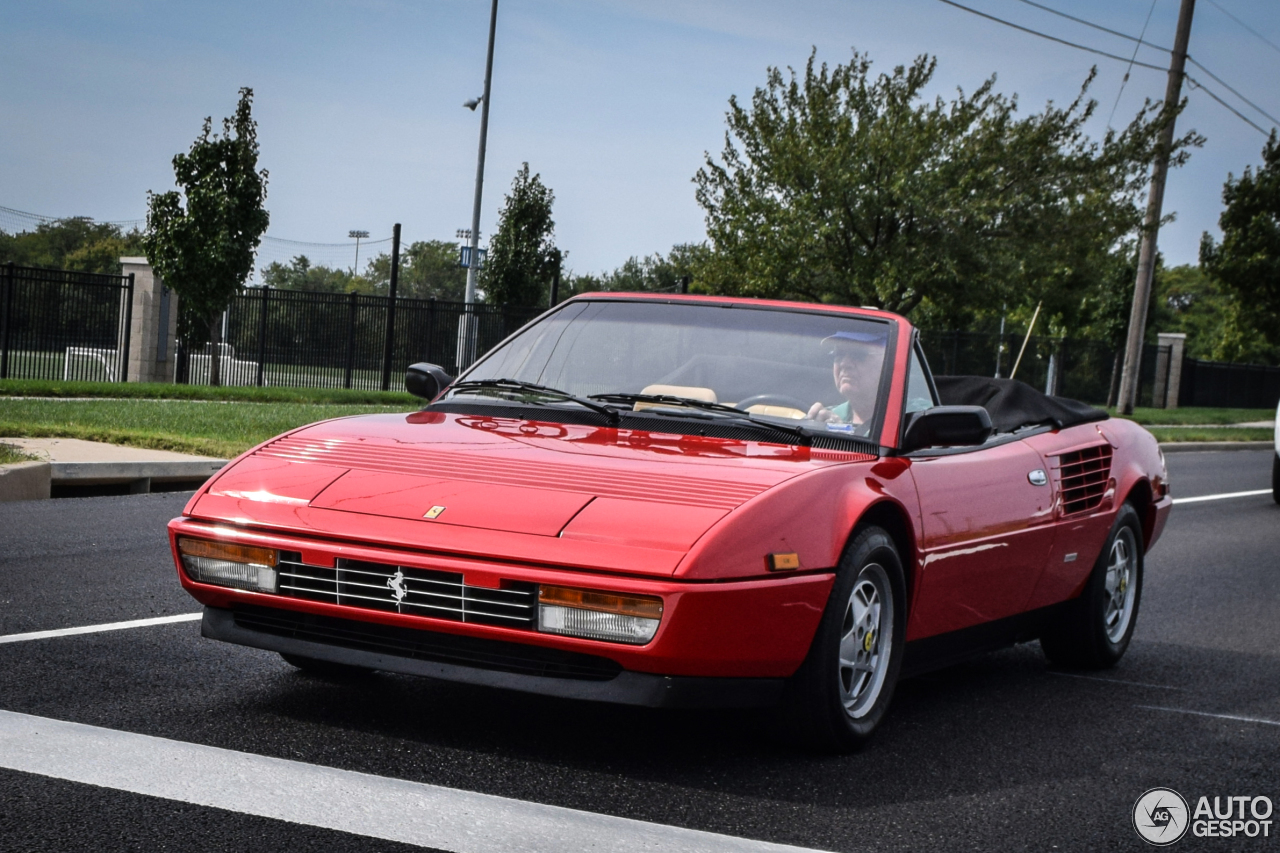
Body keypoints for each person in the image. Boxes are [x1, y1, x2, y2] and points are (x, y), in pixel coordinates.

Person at [807, 330, 886, 429]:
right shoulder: (824, 418)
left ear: (887, 362)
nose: (844, 364)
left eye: (858, 354)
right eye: (838, 354)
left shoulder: (907, 421)